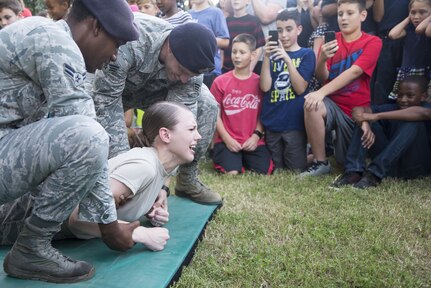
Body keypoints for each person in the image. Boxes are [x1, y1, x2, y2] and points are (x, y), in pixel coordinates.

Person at [0, 0, 141, 283]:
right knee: (88, 137)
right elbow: (88, 140)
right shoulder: (54, 41)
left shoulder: (53, 41)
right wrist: (109, 226)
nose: (115, 56)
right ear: (96, 26)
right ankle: (32, 248)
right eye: (117, 43)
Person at [91, 15, 223, 205]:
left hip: (155, 92)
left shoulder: (191, 70)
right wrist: (127, 174)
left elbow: (179, 127)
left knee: (207, 104)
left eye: (191, 74)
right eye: (182, 69)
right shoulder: (130, 41)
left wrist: (162, 184)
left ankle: (187, 182)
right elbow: (106, 104)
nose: (185, 79)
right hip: (108, 89)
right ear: (169, 47)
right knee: (86, 124)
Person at [300, 0, 382, 176]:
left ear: (363, 15)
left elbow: (355, 72)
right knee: (311, 104)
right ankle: (320, 162)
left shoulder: (373, 42)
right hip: (333, 106)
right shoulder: (331, 40)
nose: (343, 18)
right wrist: (321, 59)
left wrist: (321, 92)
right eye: (340, 14)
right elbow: (323, 77)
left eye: (349, 13)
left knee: (345, 161)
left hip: (356, 113)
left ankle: (335, 144)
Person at [331, 76, 431, 189]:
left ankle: (374, 174)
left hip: (415, 166)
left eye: (410, 95)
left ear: (424, 96)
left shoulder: (427, 109)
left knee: (414, 122)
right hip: (391, 165)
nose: (403, 99)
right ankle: (354, 172)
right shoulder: (394, 107)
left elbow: (422, 114)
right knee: (365, 121)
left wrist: (376, 116)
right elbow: (358, 110)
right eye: (400, 95)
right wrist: (364, 122)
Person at [260, 9, 316, 172]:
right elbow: (265, 87)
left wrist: (287, 59)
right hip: (272, 121)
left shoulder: (307, 54)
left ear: (299, 30)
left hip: (294, 123)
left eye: (289, 29)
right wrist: (266, 57)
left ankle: (315, 155)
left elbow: (300, 89)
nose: (283, 35)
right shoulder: (271, 55)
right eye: (279, 30)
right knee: (275, 167)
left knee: (295, 168)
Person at [210, 33, 274, 175]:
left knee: (262, 172)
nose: (237, 56)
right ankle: (228, 158)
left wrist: (256, 136)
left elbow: (263, 113)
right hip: (228, 139)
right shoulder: (220, 82)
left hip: (252, 140)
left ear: (253, 55)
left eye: (242, 52)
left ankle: (243, 159)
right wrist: (227, 139)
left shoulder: (260, 82)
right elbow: (215, 114)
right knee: (232, 172)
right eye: (234, 52)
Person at [387, 0, 431, 101]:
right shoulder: (409, 30)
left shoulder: (427, 29)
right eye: (413, 12)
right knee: (405, 99)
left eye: (422, 12)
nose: (416, 16)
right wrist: (408, 18)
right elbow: (392, 34)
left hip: (424, 70)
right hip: (408, 71)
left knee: (421, 100)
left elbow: (419, 29)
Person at [371, 0, 410, 105]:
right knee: (382, 84)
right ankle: (378, 117)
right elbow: (378, 17)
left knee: (405, 85)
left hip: (409, 37)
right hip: (385, 38)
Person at [188, 0, 230, 88]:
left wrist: (202, 38)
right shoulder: (187, 14)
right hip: (189, 70)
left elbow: (225, 41)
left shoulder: (216, 12)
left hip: (210, 71)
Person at [222, 0, 266, 74]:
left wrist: (250, 69)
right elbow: (222, 48)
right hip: (227, 70)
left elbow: (259, 47)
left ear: (248, 1)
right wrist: (221, 67)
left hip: (246, 71)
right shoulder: (226, 21)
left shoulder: (253, 21)